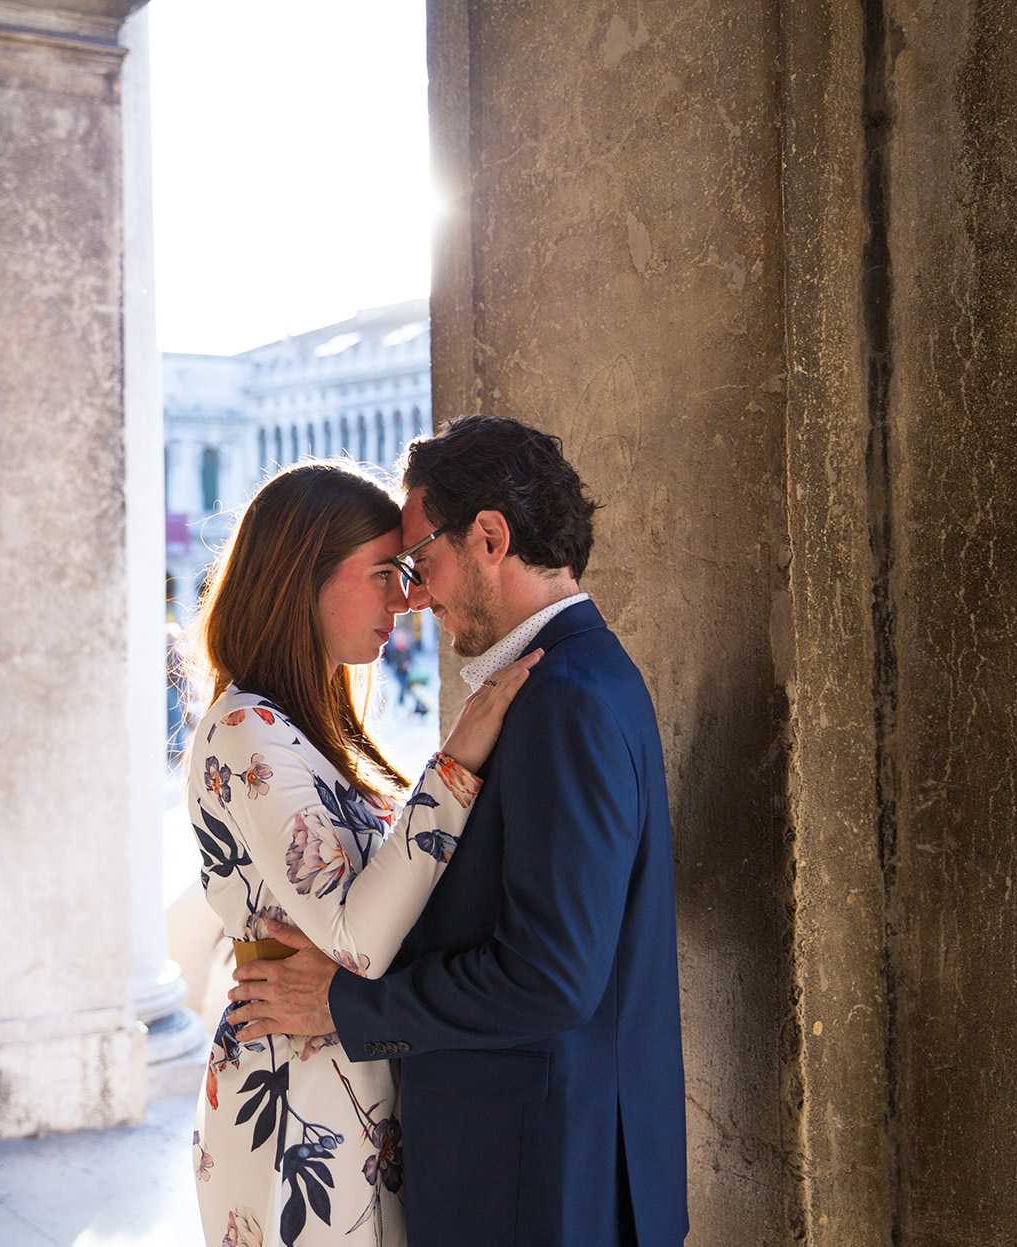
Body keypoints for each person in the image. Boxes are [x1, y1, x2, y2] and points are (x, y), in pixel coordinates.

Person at [228, 416, 689, 1246]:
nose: (415, 594)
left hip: (538, 1188)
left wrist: (346, 1004)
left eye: (419, 561)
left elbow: (551, 976)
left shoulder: (564, 701)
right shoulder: (572, 679)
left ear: (489, 537)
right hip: (546, 1173)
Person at [183, 460, 541, 1247]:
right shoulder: (247, 730)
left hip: (349, 1081)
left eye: (406, 572)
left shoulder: (305, 732)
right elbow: (357, 935)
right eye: (382, 573)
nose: (404, 597)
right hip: (294, 1102)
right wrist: (456, 762)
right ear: (299, 578)